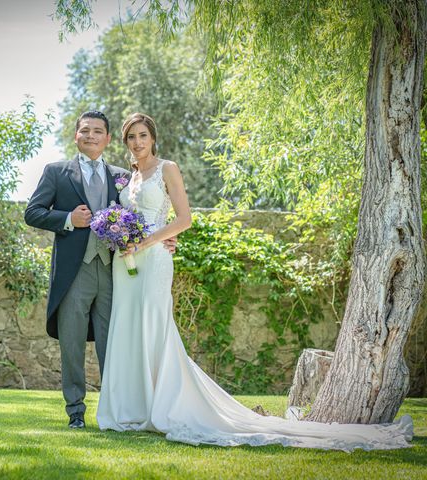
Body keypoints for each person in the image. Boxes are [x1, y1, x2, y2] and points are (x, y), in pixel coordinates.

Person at [96, 112, 413, 451]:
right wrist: (121, 237)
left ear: (153, 138)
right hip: (125, 261)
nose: (137, 142)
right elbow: (123, 218)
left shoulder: (167, 168)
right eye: (131, 137)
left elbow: (184, 219)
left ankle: (161, 407)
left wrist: (148, 241)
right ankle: (131, 409)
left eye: (142, 135)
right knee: (127, 327)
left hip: (154, 258)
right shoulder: (127, 177)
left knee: (154, 326)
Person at [24, 111, 175, 429]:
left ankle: (117, 410)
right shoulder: (56, 172)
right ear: (76, 136)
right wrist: (67, 218)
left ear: (108, 139)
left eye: (98, 132)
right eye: (85, 131)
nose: (91, 136)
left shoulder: (123, 176)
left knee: (116, 343)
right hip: (74, 273)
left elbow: (142, 214)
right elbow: (33, 212)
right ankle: (75, 411)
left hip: (114, 272)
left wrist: (165, 238)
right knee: (72, 342)